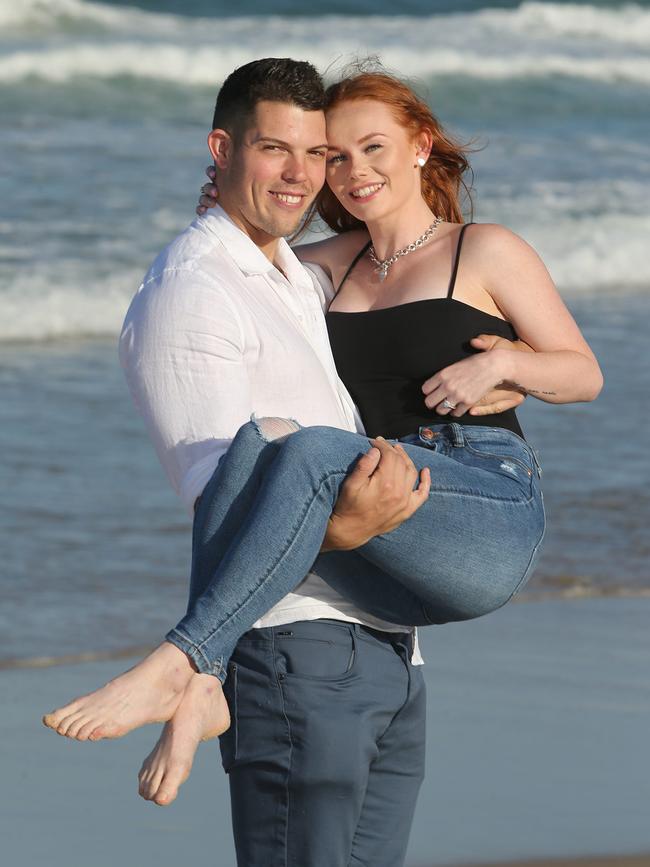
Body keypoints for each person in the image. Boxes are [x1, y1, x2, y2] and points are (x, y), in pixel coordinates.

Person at [43, 59, 602, 866]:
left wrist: (505, 364)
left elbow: (583, 373)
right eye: (331, 155)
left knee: (295, 447)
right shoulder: (315, 272)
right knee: (273, 445)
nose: (344, 171)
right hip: (379, 554)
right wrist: (227, 207)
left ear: (421, 144)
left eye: (364, 148)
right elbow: (242, 260)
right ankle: (199, 672)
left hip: (483, 495)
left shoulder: (479, 250)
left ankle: (185, 661)